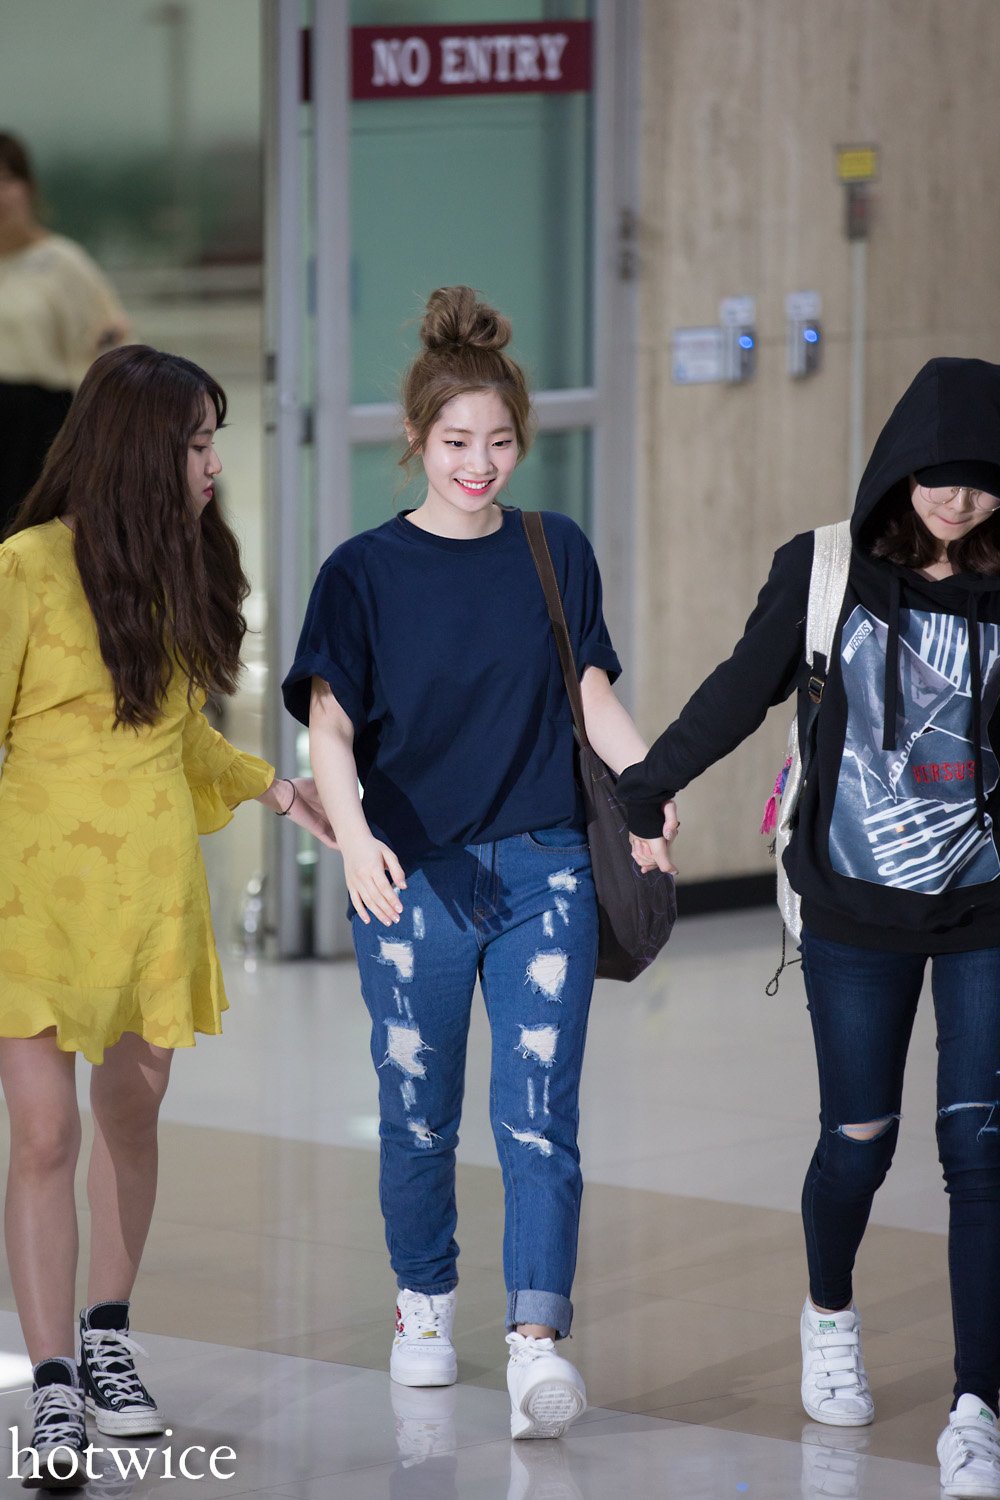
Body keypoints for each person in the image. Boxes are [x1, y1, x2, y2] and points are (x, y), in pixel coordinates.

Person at [283, 285, 674, 1441]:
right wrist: (354, 837)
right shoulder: (361, 572)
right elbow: (329, 728)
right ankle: (425, 1302)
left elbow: (589, 695)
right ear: (415, 440)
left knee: (539, 1115)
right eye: (456, 441)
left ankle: (536, 1341)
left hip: (546, 871)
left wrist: (650, 790)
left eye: (499, 442)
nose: (479, 464)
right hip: (411, 883)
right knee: (416, 1115)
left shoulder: (554, 551)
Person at [617, 356, 1000, 1499]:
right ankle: (828, 1314)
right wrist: (646, 785)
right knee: (859, 1139)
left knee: (981, 1151)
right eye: (938, 475)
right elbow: (741, 688)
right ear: (900, 466)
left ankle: (977, 1406)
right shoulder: (826, 568)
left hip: (987, 904)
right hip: (850, 904)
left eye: (983, 480)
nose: (959, 500)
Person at [0, 344, 335, 1489]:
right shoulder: (24, 569)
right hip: (33, 905)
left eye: (211, 442)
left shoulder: (181, 571)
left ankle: (107, 1336)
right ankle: (52, 1382)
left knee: (130, 1117)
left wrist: (276, 789)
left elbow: (179, 737)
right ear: (142, 452)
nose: (211, 465)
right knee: (44, 1135)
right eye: (196, 444)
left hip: (150, 899)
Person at [0, 131, 128, 535]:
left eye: (6, 180)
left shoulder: (61, 263)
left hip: (36, 432)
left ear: (28, 187)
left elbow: (113, 342)